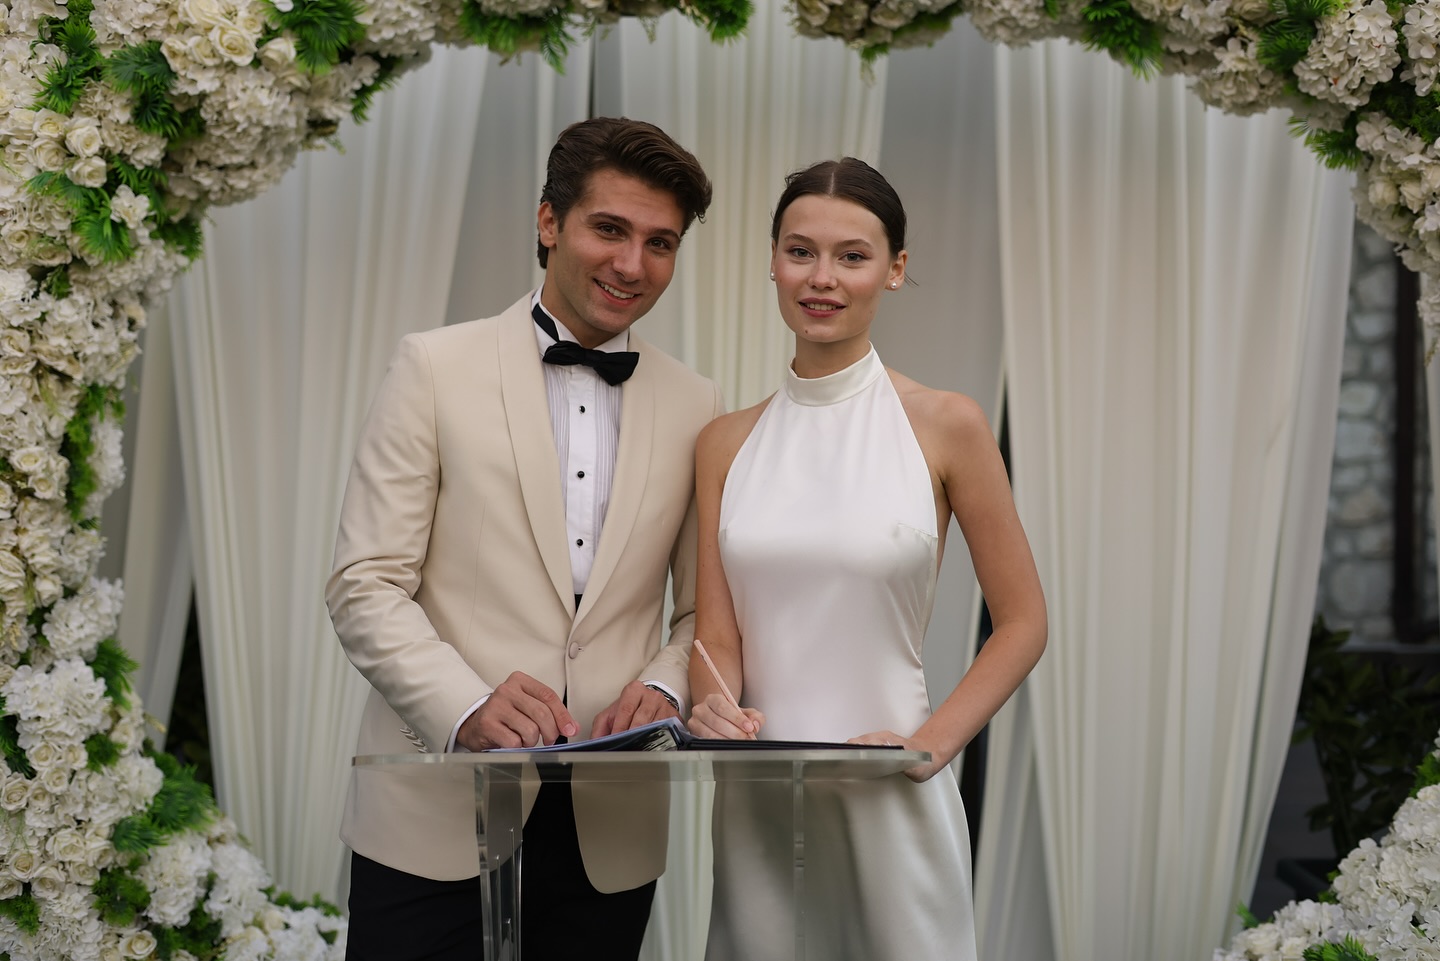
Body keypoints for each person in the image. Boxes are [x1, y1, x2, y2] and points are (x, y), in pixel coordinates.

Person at [326, 117, 723, 961]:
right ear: (549, 221)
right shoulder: (433, 366)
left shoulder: (699, 404)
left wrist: (666, 684)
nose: (632, 264)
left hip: (608, 833)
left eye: (660, 243)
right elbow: (364, 582)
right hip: (433, 812)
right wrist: (465, 705)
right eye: (609, 229)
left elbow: (704, 613)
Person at [686, 157, 1048, 960]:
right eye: (800, 251)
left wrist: (928, 746)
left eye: (852, 255)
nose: (822, 277)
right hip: (757, 802)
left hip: (893, 793)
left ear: (895, 268)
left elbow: (1024, 621)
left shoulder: (948, 423)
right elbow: (717, 635)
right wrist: (711, 705)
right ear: (773, 261)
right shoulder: (723, 443)